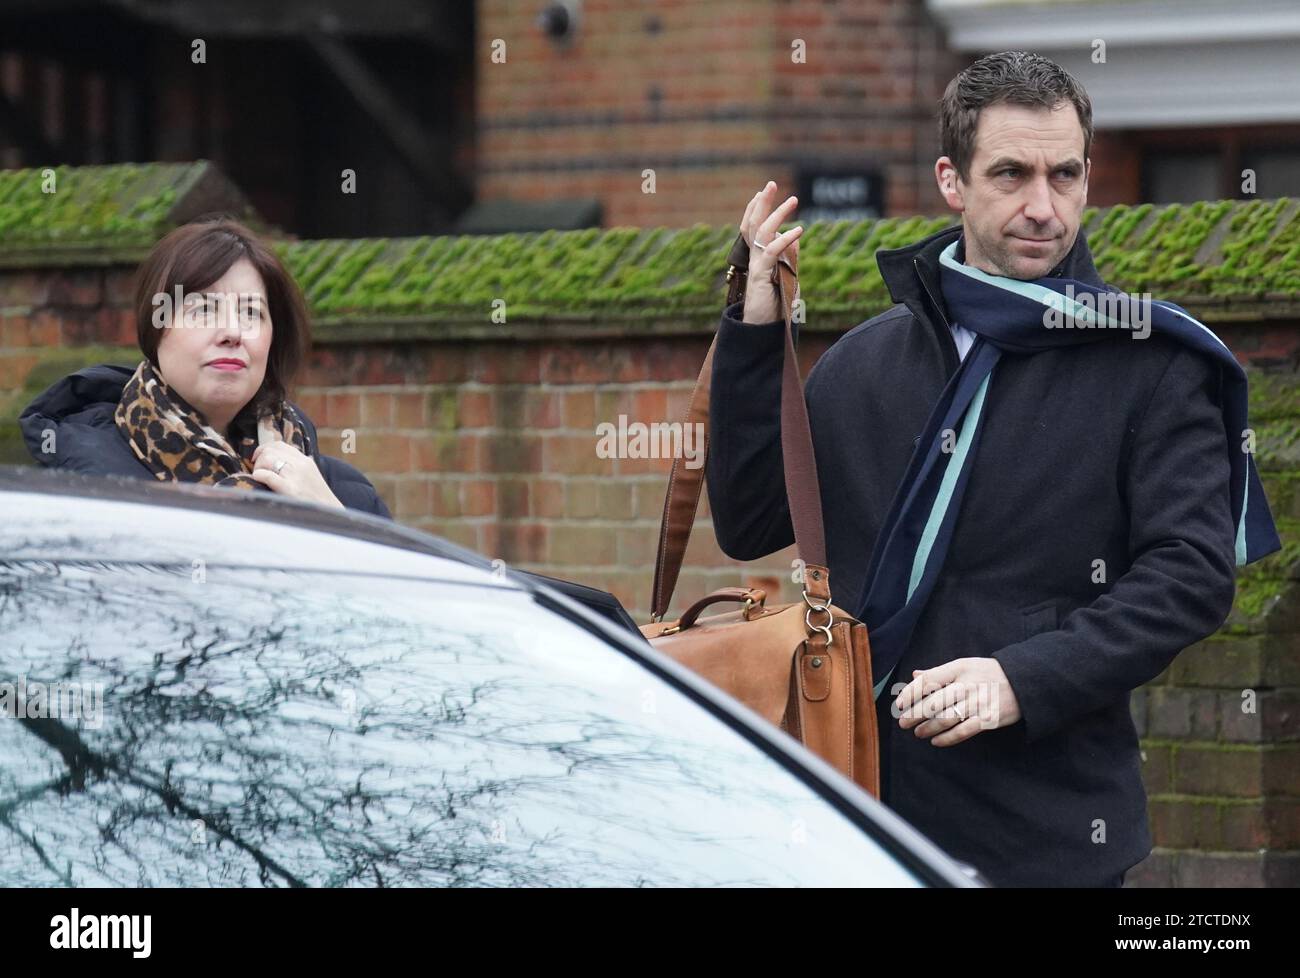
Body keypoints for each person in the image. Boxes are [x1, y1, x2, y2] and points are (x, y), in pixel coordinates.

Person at [707, 51, 1280, 886]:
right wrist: (755, 334)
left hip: (1047, 834)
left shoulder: (1152, 363)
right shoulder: (863, 362)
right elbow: (751, 521)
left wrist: (1024, 676)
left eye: (1065, 174)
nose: (1043, 207)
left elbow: (1190, 576)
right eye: (1011, 174)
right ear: (952, 180)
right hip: (856, 814)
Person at [19, 217, 391, 519]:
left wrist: (328, 518)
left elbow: (389, 610)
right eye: (203, 310)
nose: (232, 332)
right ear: (156, 328)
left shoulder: (345, 496)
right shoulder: (80, 489)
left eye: (250, 313)